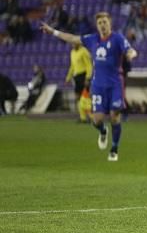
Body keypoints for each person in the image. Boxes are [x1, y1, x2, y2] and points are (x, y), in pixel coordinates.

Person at [41, 12, 138, 161]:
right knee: (97, 119)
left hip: (115, 84)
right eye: (100, 23)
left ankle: (114, 148)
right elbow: (72, 38)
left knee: (115, 115)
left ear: (110, 23)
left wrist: (131, 53)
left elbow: (129, 49)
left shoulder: (117, 38)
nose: (102, 25)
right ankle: (103, 131)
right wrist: (53, 31)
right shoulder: (92, 39)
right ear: (97, 25)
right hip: (98, 85)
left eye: (105, 22)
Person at [65, 43, 93, 122]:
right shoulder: (72, 52)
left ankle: (91, 117)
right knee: (78, 97)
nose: (72, 44)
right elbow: (72, 66)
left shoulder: (84, 51)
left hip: (83, 76)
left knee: (85, 98)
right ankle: (83, 117)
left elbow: (89, 65)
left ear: (78, 43)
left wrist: (88, 78)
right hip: (76, 77)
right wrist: (68, 77)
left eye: (74, 43)